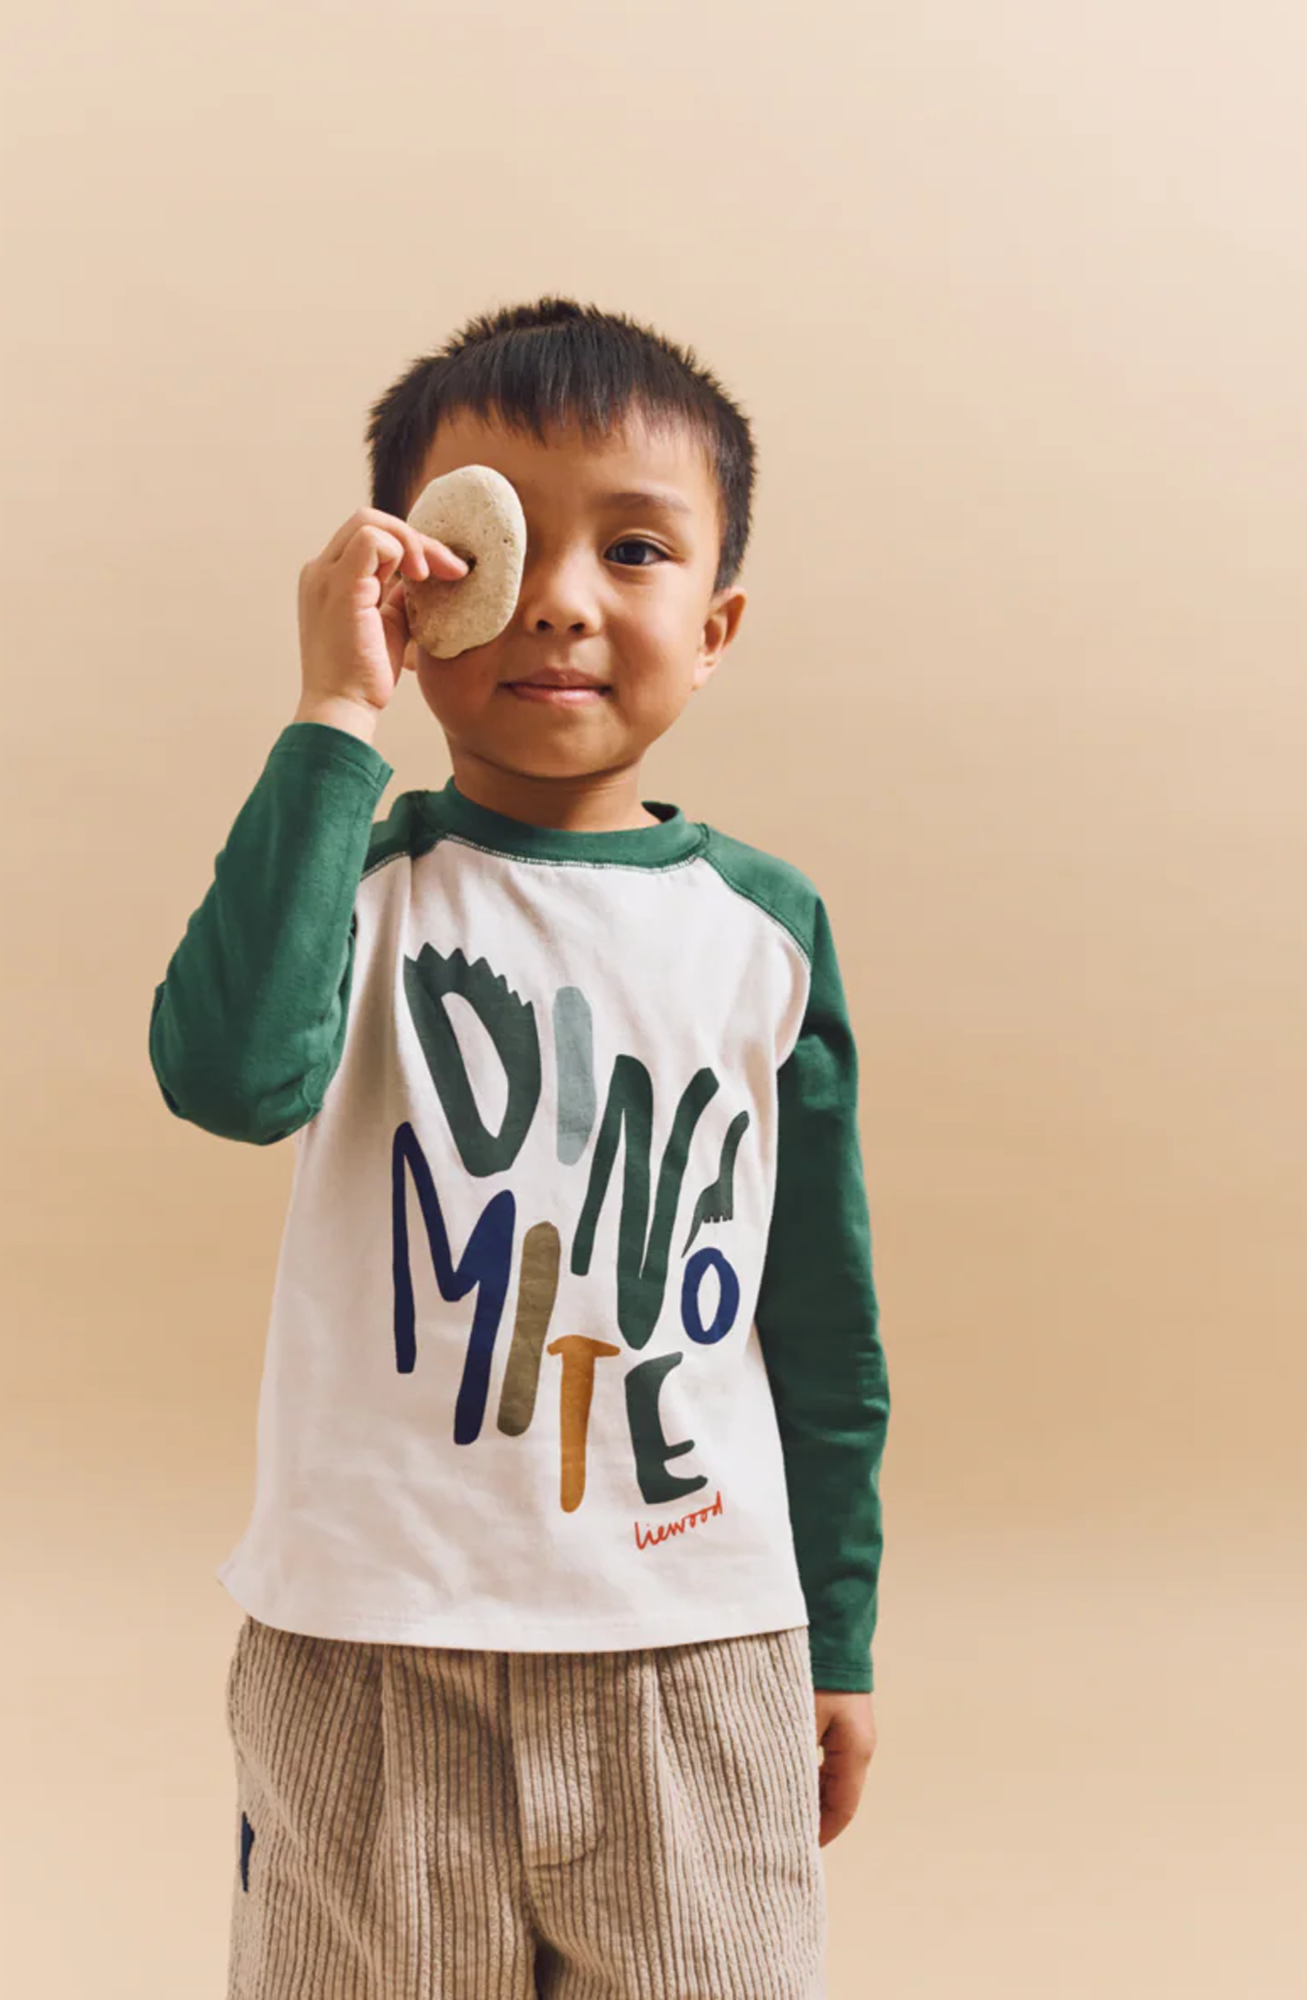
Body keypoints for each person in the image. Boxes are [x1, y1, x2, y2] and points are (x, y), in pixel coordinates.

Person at [149, 295, 891, 2000]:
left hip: (692, 1650)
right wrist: (334, 712)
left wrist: (838, 1633)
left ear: (716, 625)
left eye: (632, 549)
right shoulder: (355, 883)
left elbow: (822, 1325)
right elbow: (231, 1076)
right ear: (415, 594)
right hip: (369, 1651)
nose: (559, 597)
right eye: (502, 547)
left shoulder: (763, 933)